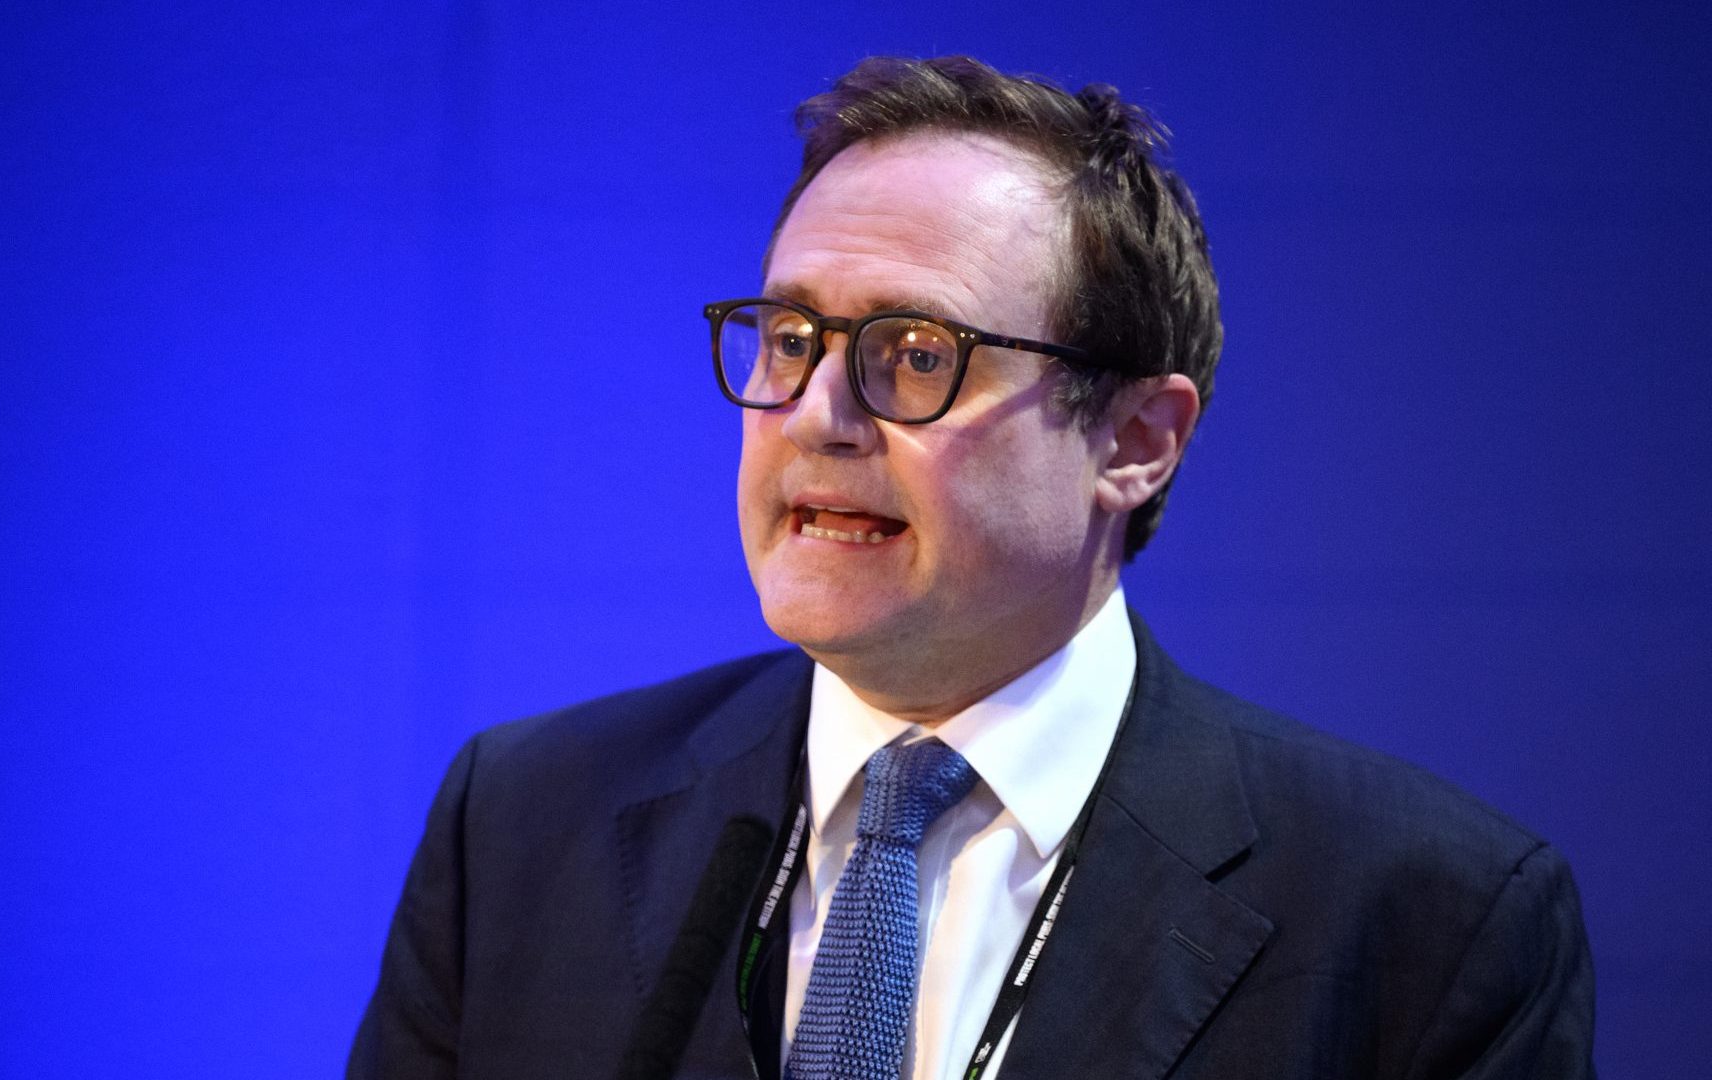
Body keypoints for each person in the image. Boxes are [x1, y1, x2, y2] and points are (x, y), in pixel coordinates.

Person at [349, 56, 1595, 1079]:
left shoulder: (1430, 919)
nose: (815, 413)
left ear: (1135, 441)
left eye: (913, 350)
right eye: (790, 337)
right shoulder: (520, 823)